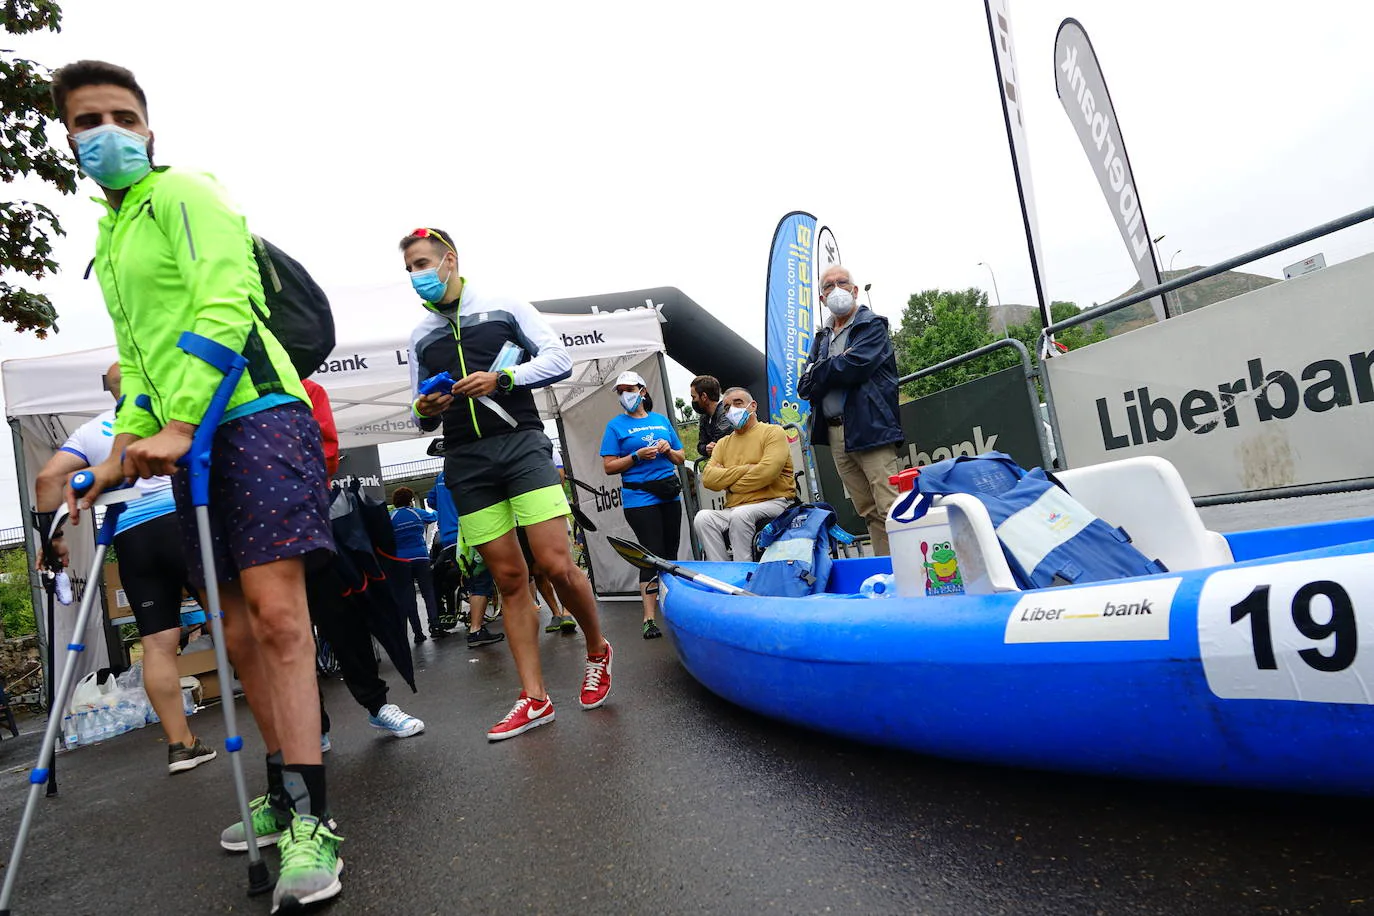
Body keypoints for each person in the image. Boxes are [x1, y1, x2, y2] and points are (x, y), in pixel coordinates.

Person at [52, 61, 342, 910]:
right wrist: (125, 446)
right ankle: (286, 786)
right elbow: (140, 361)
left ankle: (312, 820)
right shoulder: (109, 244)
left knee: (280, 614)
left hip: (255, 414)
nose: (108, 131)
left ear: (149, 127)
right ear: (68, 138)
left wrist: (182, 422)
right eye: (88, 120)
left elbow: (226, 301)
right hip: (185, 439)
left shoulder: (187, 190)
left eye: (123, 116)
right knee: (238, 626)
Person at [402, 227, 610, 741]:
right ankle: (535, 698)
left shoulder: (502, 305)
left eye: (423, 263)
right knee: (511, 581)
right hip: (467, 463)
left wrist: (504, 379)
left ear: (450, 260)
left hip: (521, 446)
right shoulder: (420, 336)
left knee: (556, 563)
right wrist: (425, 409)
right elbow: (419, 416)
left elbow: (560, 359)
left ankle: (598, 650)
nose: (417, 276)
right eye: (409, 269)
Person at [34, 363, 217, 775]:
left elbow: (47, 479)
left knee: (157, 643)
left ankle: (180, 745)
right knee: (226, 621)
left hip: (134, 538)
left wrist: (53, 541)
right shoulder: (172, 415)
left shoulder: (90, 432)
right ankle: (277, 729)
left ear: (108, 390)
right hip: (185, 520)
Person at [303, 378, 423, 746]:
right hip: (258, 523)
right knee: (282, 635)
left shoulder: (305, 388)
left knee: (345, 618)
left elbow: (325, 451)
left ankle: (376, 704)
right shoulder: (219, 384)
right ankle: (309, 726)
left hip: (311, 516)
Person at [798, 264, 903, 555]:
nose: (836, 289)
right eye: (828, 286)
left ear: (855, 290)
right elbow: (804, 386)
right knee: (867, 509)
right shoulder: (821, 338)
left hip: (871, 427)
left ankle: (911, 575)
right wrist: (831, 367)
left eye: (842, 282)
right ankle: (886, 573)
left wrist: (822, 370)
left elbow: (855, 367)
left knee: (890, 506)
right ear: (822, 298)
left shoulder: (872, 325)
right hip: (835, 434)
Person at [600, 370, 686, 639]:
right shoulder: (615, 426)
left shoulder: (661, 420)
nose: (626, 395)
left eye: (630, 389)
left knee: (670, 554)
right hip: (639, 498)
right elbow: (609, 466)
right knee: (652, 554)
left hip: (669, 492)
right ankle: (649, 618)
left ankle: (672, 609)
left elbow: (681, 457)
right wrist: (636, 456)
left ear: (643, 391)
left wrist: (667, 450)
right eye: (621, 391)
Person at [693, 387, 796, 562]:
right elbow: (709, 479)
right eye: (726, 407)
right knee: (703, 518)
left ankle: (745, 570)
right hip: (734, 508)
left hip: (775, 502)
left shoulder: (773, 432)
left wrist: (730, 485)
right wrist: (745, 469)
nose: (732, 409)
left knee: (741, 514)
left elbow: (767, 473)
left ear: (753, 406)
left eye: (738, 403)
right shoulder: (723, 443)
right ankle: (724, 573)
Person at [388, 486, 441, 644]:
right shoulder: (417, 513)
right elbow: (434, 517)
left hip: (401, 560)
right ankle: (435, 626)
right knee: (428, 593)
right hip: (421, 557)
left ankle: (418, 633)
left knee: (408, 597)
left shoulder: (391, 516)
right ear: (410, 500)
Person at [689, 375, 734, 459]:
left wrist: (709, 447)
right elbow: (700, 446)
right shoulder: (704, 417)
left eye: (694, 397)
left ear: (704, 397)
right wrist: (706, 448)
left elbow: (718, 443)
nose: (693, 401)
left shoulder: (726, 414)